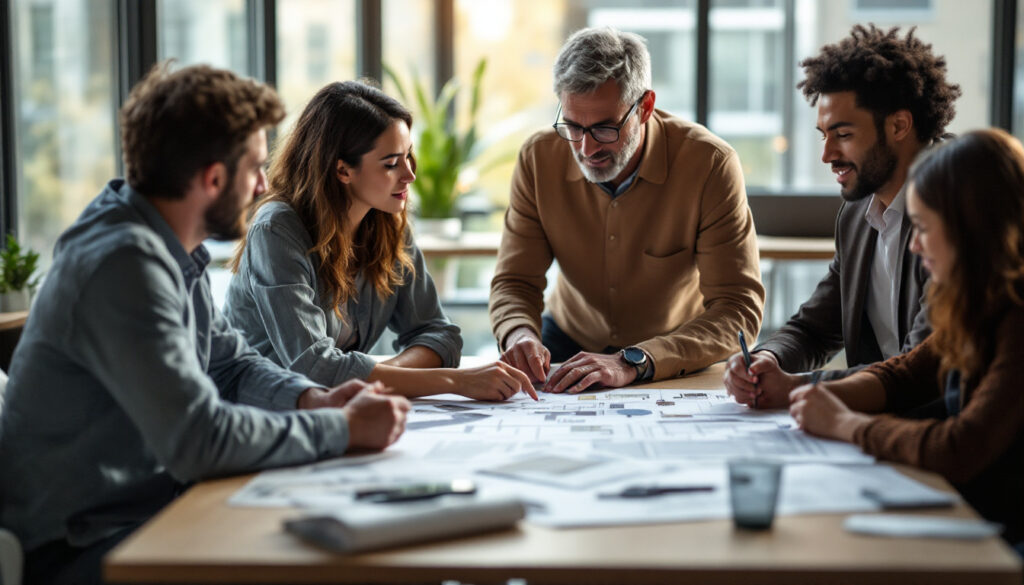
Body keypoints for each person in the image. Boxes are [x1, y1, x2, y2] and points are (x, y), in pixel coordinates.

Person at [0, 63, 410, 585]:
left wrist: (313, 399)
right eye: (256, 167)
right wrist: (341, 428)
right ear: (213, 178)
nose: (264, 184)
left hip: (152, 509)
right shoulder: (124, 266)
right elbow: (198, 439)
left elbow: (229, 363)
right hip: (85, 543)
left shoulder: (167, 245)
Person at [490, 27, 764, 394]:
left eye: (604, 128)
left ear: (645, 107)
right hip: (566, 339)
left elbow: (737, 310)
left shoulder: (710, 163)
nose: (586, 148)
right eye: (572, 126)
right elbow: (514, 282)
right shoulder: (538, 157)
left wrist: (633, 361)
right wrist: (518, 334)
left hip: (673, 351)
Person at [223, 81, 535, 401]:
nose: (409, 175)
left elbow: (439, 335)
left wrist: (383, 379)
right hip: (253, 412)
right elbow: (313, 367)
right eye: (391, 163)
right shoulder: (276, 230)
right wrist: (454, 382)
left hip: (329, 409)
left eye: (407, 156)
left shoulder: (389, 219)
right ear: (343, 170)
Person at [789, 128, 1024, 551]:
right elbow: (905, 374)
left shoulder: (1018, 320)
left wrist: (844, 424)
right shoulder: (980, 302)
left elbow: (961, 446)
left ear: (971, 230)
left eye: (924, 228)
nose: (914, 245)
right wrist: (798, 389)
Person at [725, 25, 962, 408]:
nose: (827, 154)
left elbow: (923, 368)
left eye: (844, 134)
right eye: (823, 135)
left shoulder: (953, 206)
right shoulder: (857, 213)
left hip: (937, 431)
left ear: (899, 125)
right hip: (877, 421)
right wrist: (767, 360)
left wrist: (802, 387)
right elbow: (816, 328)